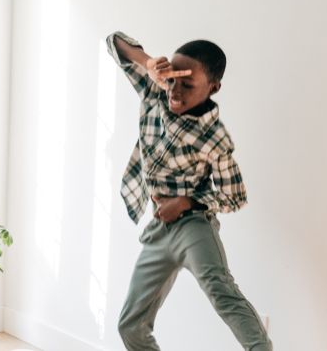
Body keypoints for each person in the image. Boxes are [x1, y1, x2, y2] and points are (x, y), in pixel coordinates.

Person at [106, 31, 273, 351]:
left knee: (223, 294)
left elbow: (234, 196)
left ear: (213, 88)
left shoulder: (214, 139)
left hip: (194, 225)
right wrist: (148, 64)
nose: (176, 93)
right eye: (173, 81)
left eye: (189, 85)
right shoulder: (155, 93)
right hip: (159, 226)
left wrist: (184, 202)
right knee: (130, 325)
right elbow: (115, 42)